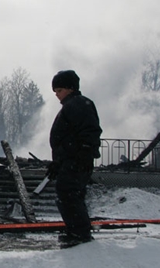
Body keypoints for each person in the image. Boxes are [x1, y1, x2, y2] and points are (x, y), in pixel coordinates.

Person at [47, 70, 102, 248]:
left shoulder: (78, 105)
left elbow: (89, 132)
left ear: (70, 88)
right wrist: (57, 163)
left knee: (69, 194)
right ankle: (76, 231)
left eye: (59, 90)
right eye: (55, 91)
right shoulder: (73, 105)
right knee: (69, 195)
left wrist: (84, 153)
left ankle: (79, 233)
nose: (57, 95)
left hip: (75, 161)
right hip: (70, 160)